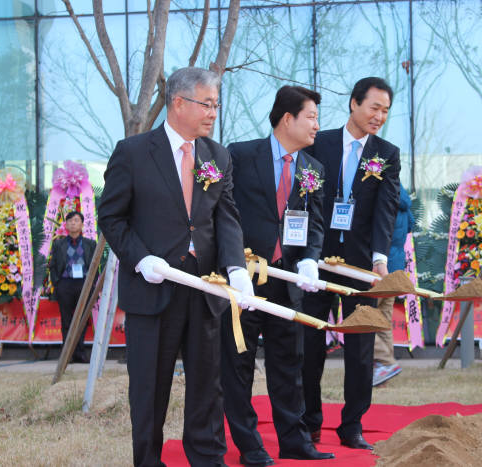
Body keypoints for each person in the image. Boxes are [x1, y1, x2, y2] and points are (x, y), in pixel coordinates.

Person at [98, 67, 255, 467]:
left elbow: (227, 218)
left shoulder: (217, 155)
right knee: (150, 387)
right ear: (179, 103)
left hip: (204, 290)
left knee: (207, 384)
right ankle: (148, 460)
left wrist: (236, 268)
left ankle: (207, 458)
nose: (213, 113)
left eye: (217, 105)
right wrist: (140, 258)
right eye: (207, 104)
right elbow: (112, 218)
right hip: (153, 288)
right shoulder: (133, 152)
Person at [221, 86, 333, 466]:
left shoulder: (313, 169)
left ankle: (294, 440)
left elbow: (314, 223)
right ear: (288, 119)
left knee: (290, 362)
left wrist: (310, 260)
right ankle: (250, 445)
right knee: (239, 363)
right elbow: (224, 213)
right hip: (245, 276)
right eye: (312, 116)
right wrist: (232, 264)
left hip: (287, 279)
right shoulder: (239, 154)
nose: (317, 125)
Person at [301, 77, 400, 450]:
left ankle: (352, 424)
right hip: (316, 258)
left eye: (386, 111)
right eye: (374, 107)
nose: (379, 116)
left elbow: (386, 209)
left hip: (360, 264)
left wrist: (378, 259)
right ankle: (309, 420)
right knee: (309, 341)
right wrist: (302, 254)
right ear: (354, 104)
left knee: (360, 346)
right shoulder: (317, 142)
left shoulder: (386, 153)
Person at [373, 184, 414, 386]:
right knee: (383, 323)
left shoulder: (383, 203)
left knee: (364, 317)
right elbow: (411, 225)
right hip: (397, 267)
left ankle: (387, 362)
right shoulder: (404, 203)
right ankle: (383, 374)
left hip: (379, 268)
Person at [48, 211, 97, 364]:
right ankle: (67, 354)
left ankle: (80, 353)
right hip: (66, 284)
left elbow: (95, 266)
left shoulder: (90, 244)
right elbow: (53, 265)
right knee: (67, 320)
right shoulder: (58, 244)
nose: (73, 223)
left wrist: (92, 284)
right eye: (70, 221)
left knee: (82, 320)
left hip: (84, 283)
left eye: (76, 220)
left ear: (82, 224)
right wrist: (58, 283)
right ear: (66, 225)